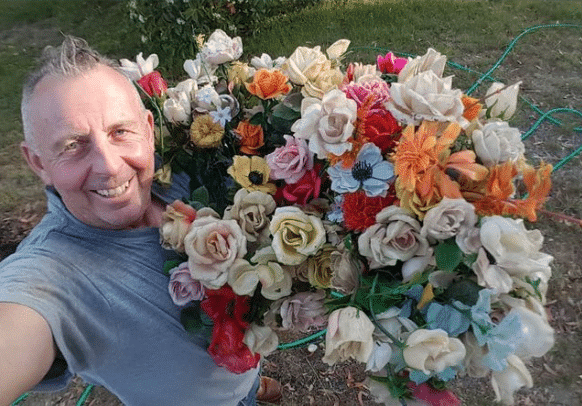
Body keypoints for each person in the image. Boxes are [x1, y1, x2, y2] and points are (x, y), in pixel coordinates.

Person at [0, 36, 281, 406]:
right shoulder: (50, 276)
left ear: (149, 130)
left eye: (120, 132)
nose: (109, 166)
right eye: (72, 145)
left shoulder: (191, 173)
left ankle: (252, 385)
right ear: (37, 163)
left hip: (240, 369)